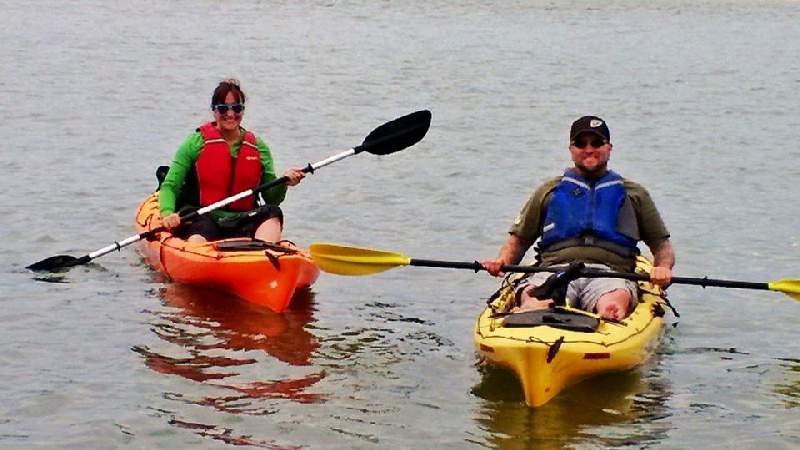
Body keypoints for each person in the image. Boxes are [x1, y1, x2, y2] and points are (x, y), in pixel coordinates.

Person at [481, 116, 674, 320]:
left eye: (597, 143)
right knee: (536, 303)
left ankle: (608, 317)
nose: (589, 149)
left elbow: (662, 245)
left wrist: (662, 268)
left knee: (612, 304)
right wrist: (502, 261)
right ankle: (530, 311)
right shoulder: (549, 191)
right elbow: (519, 241)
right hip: (554, 271)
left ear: (609, 147)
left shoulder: (635, 194)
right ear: (571, 149)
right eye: (581, 143)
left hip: (611, 275)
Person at [159, 79, 306, 243]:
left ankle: (264, 252)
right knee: (199, 232)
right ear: (214, 110)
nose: (230, 114)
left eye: (236, 108)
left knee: (272, 211)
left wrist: (284, 182)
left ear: (242, 110)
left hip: (242, 218)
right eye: (223, 108)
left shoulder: (258, 147)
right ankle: (202, 258)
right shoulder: (195, 143)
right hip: (203, 215)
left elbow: (272, 198)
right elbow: (170, 185)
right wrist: (167, 213)